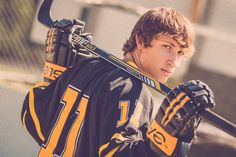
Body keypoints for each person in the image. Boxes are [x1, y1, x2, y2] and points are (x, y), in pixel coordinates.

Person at [21, 7, 215, 157]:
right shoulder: (133, 90)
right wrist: (161, 143)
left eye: (180, 53)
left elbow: (33, 119)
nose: (174, 61)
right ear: (140, 41)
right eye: (167, 46)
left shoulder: (86, 66)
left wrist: (53, 75)